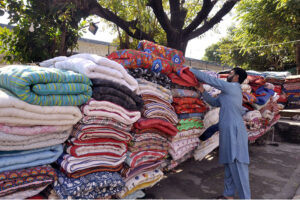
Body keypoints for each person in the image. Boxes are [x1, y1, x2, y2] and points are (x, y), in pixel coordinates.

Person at [190, 67, 250, 199]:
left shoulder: (232, 87)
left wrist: (189, 70)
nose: (228, 75)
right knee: (229, 163)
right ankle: (228, 195)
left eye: (231, 73)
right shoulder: (227, 92)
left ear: (237, 77)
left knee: (238, 164)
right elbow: (214, 102)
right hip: (227, 129)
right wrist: (202, 91)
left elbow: (211, 80)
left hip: (234, 131)